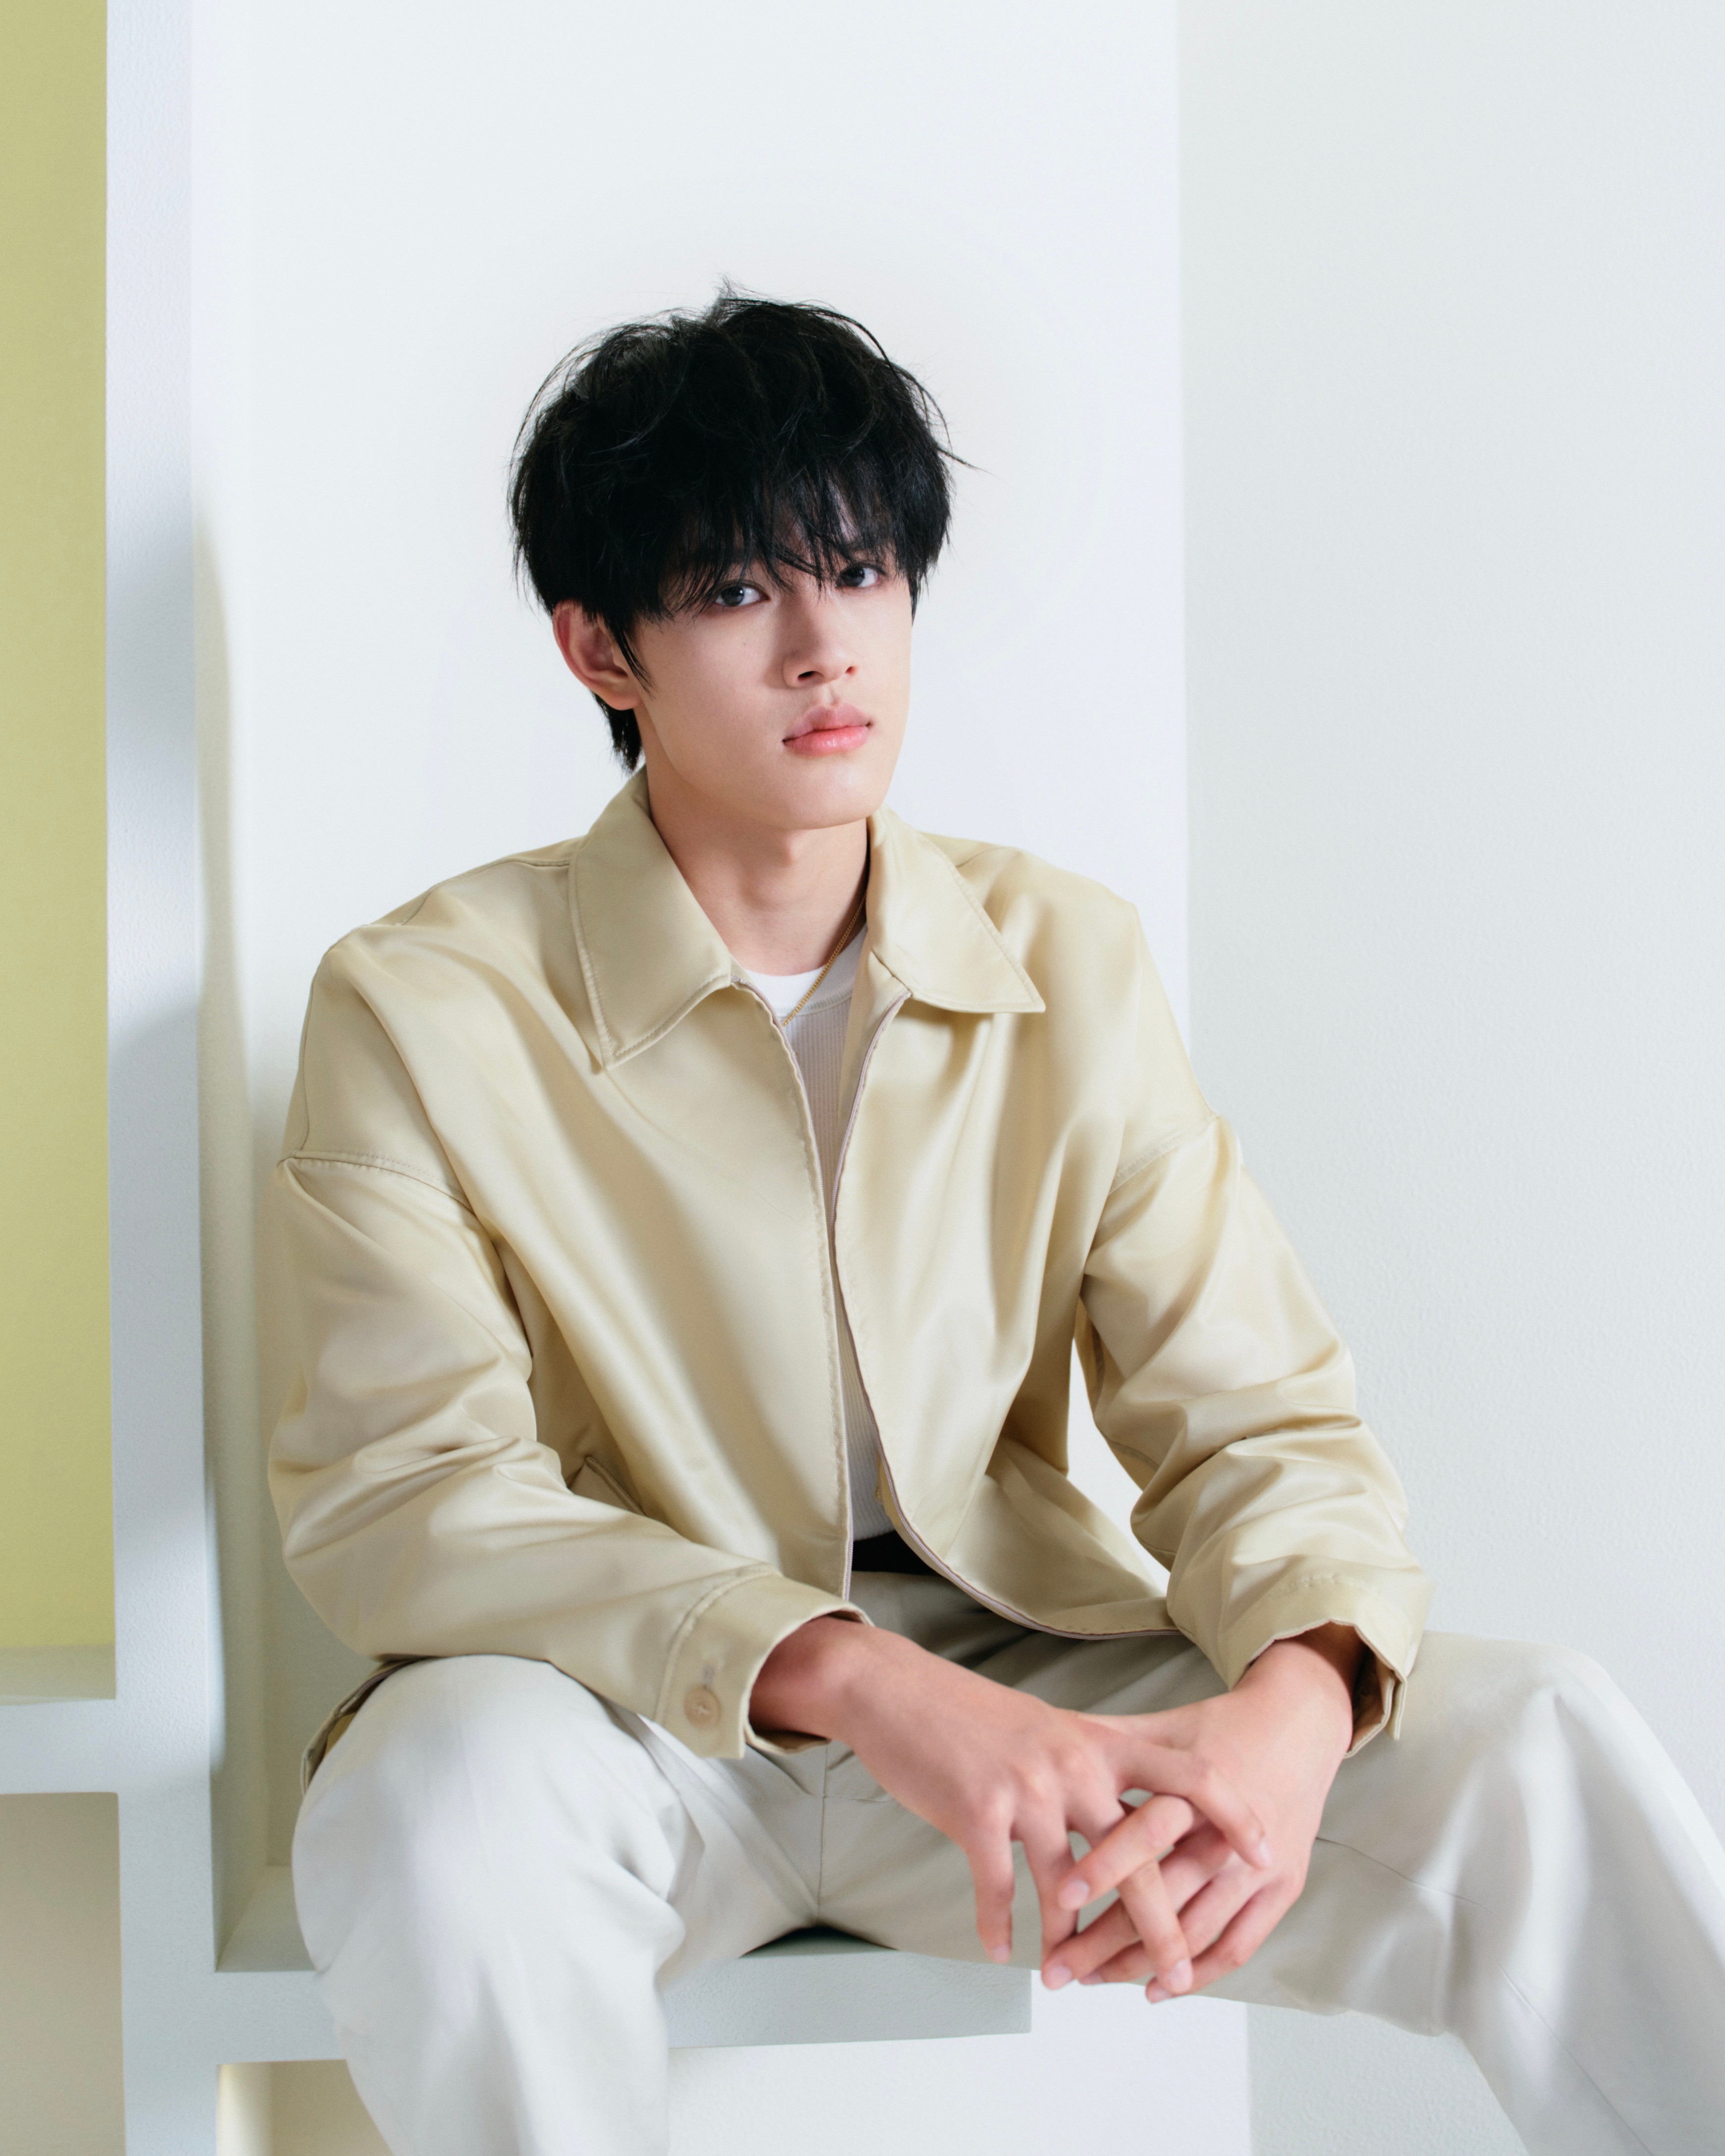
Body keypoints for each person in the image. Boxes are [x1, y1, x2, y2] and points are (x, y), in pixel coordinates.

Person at [271, 294, 1725, 2156]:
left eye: (860, 573)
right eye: (735, 591)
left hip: (1025, 1709)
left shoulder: (1062, 958)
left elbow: (1253, 1416)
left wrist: (1295, 1705)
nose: (823, 648)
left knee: (1537, 1741)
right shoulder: (420, 1003)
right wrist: (853, 1678)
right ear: (598, 647)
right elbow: (408, 1496)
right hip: (622, 1721)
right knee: (435, 1811)